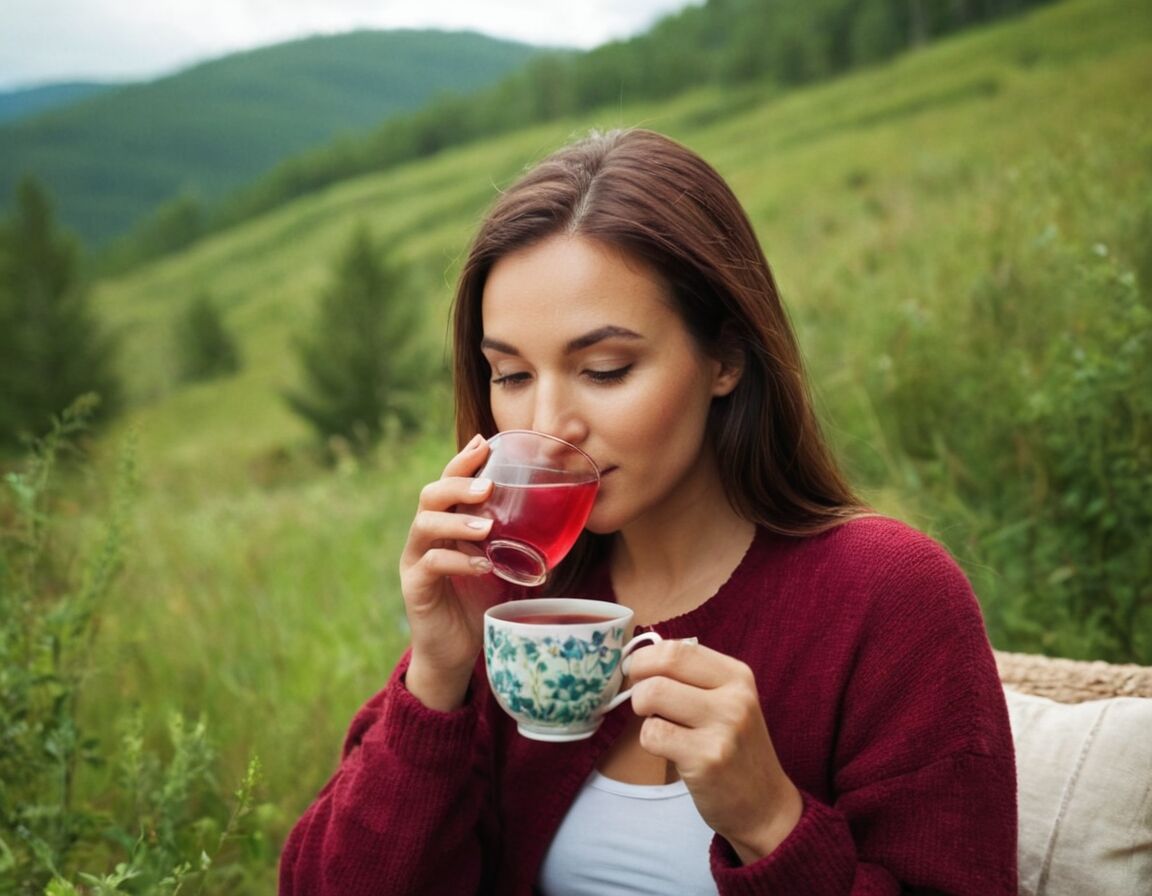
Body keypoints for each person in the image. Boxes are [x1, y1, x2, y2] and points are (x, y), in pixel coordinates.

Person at [278, 128, 1017, 895]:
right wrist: (436, 677)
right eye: (510, 373)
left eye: (604, 369)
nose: (547, 423)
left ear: (726, 358)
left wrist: (770, 824)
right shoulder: (517, 609)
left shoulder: (890, 599)